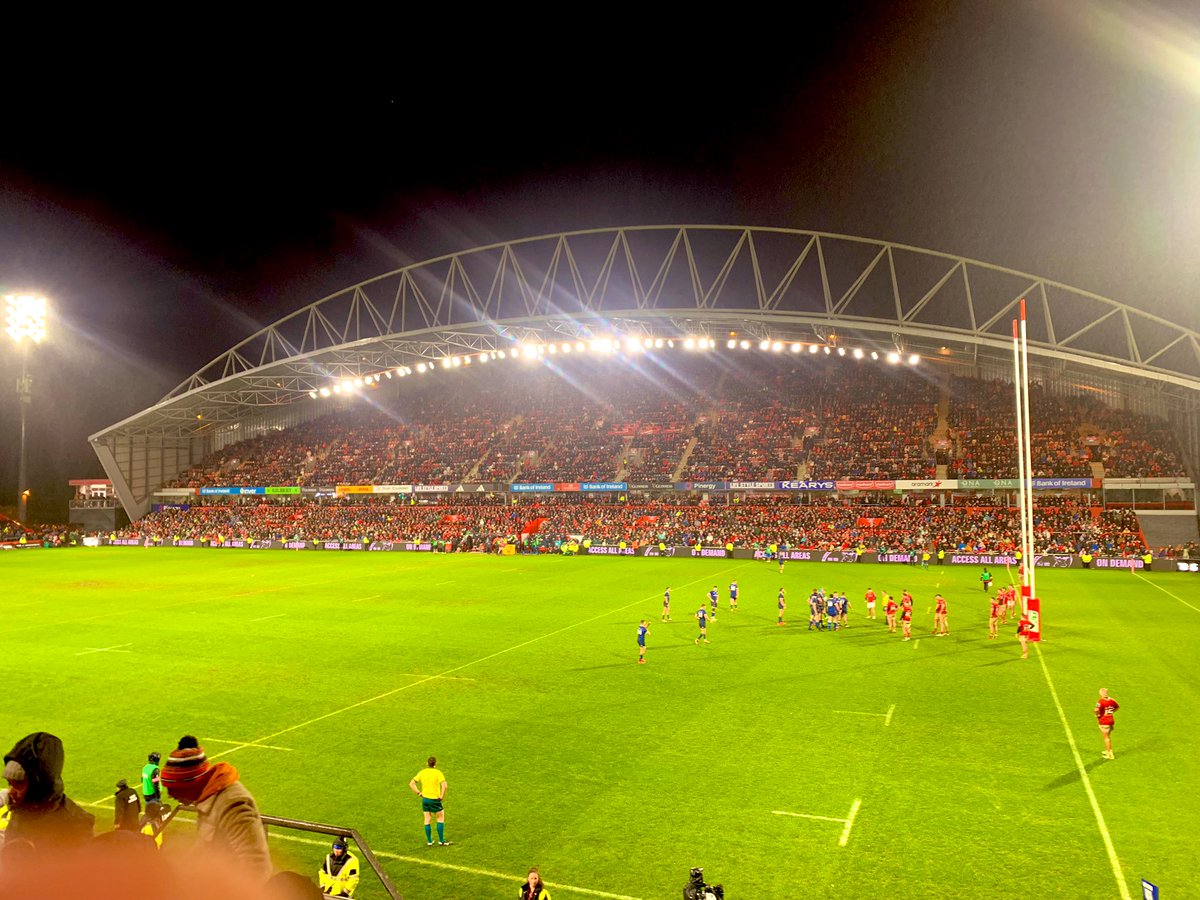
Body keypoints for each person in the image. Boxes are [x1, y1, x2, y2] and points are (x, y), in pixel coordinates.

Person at [159, 735, 272, 880]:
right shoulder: (208, 798)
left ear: (190, 785)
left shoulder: (233, 804)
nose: (171, 796)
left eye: (174, 790)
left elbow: (256, 866)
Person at [2, 731, 94, 851]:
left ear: (39, 783)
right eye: (9, 783)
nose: (10, 791)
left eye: (19, 784)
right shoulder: (21, 812)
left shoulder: (75, 824)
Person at [409, 756, 450, 845]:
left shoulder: (422, 772)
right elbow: (445, 786)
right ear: (435, 764)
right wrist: (442, 796)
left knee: (427, 818)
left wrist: (419, 793)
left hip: (425, 799)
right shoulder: (438, 773)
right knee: (440, 817)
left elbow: (411, 784)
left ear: (427, 763)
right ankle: (441, 840)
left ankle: (429, 841)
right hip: (434, 799)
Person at [1095, 688, 1120, 759]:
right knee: (1108, 736)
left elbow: (1096, 710)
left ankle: (1110, 754)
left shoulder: (1100, 701)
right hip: (1111, 720)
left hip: (1104, 721)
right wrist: (1111, 712)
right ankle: (1107, 750)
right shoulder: (1112, 700)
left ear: (1101, 693)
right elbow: (1117, 707)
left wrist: (1097, 715)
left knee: (1106, 738)